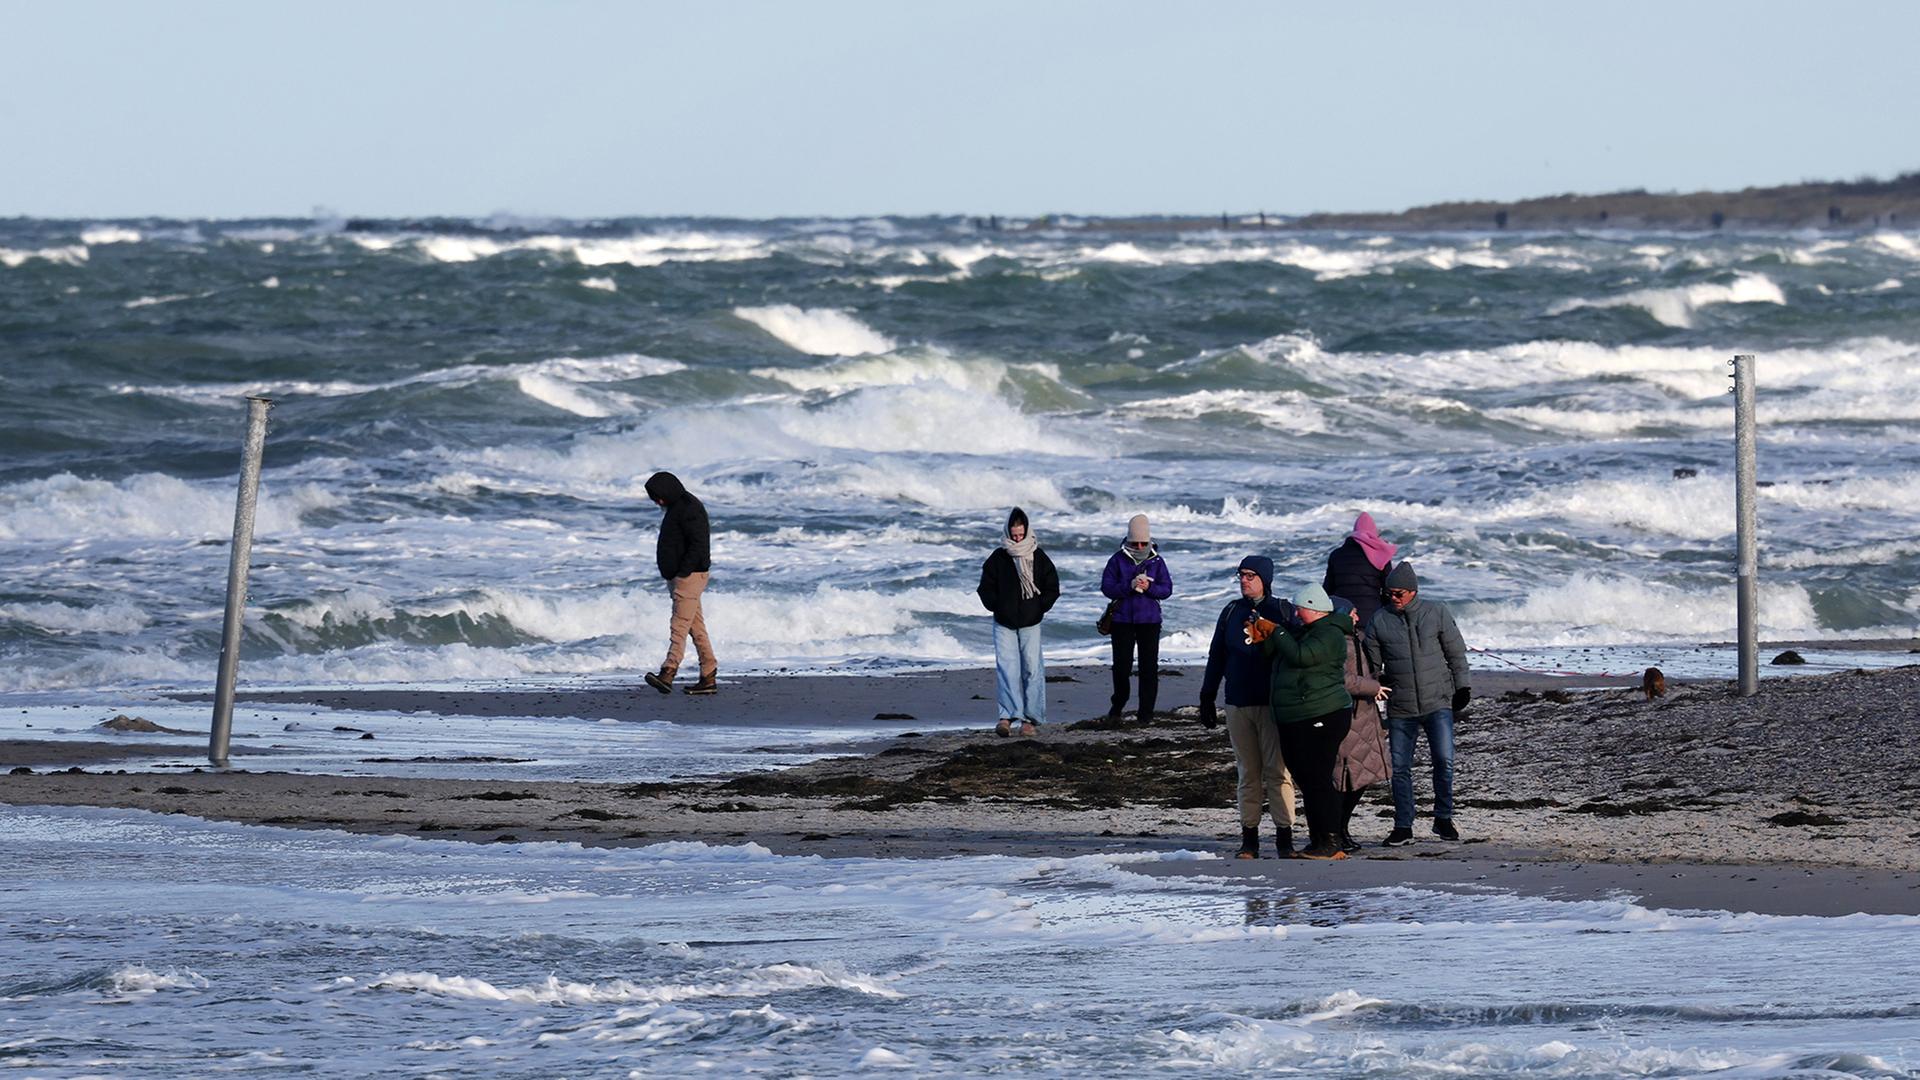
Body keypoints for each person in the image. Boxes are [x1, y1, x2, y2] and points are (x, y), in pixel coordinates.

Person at [1363, 561, 1471, 846]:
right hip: (1401, 706)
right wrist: (1373, 686)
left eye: (1399, 593)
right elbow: (1372, 666)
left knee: (1444, 761)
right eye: (1390, 593)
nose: (1393, 598)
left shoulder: (1436, 612)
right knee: (1399, 768)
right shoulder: (1379, 620)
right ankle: (1403, 826)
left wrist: (1463, 687)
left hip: (1438, 701)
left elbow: (1456, 653)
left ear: (1413, 592)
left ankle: (1443, 819)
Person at [1199, 556, 1297, 859]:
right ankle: (1249, 840)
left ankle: (1285, 839)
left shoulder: (1282, 611)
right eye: (1241, 575)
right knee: (1248, 773)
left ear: (1265, 579)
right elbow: (1217, 655)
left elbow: (1297, 654)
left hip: (1272, 704)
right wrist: (1207, 696)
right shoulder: (1230, 611)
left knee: (1278, 772)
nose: (1244, 580)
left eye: (1251, 575)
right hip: (1237, 702)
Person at [1251, 583, 1354, 860]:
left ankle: (1332, 840)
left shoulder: (1330, 633)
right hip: (1296, 716)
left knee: (1319, 778)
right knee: (1307, 779)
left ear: (1313, 608)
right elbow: (1279, 654)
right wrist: (1266, 636)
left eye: (1300, 608)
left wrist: (1277, 631)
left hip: (1323, 713)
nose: (1295, 613)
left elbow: (1302, 656)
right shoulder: (1306, 631)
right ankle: (1318, 839)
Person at [977, 507, 1060, 737]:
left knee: (1032, 669)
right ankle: (1006, 716)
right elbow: (984, 589)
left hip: (1031, 622)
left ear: (1026, 531)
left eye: (1020, 535)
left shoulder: (1039, 556)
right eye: (1013, 535)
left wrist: (1039, 607)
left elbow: (1052, 586)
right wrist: (997, 605)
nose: (1016, 538)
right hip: (1003, 623)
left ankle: (1030, 719)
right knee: (1007, 669)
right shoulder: (998, 558)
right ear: (1008, 531)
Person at [642, 471, 717, 696]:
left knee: (679, 626)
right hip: (682, 577)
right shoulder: (677, 507)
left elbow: (699, 544)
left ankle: (668, 671)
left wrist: (683, 573)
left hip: (690, 577)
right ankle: (709, 674)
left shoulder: (689, 509)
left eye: (658, 497)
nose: (658, 502)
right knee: (695, 628)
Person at [1100, 514, 1173, 725]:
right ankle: (1118, 705)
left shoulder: (1157, 561)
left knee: (1148, 668)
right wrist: (1129, 586)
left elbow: (1167, 589)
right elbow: (1107, 588)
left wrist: (1150, 588)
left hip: (1149, 621)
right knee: (1121, 667)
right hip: (1122, 620)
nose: (1139, 546)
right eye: (1135, 542)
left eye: (1143, 542)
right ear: (1128, 540)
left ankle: (1146, 714)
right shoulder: (1117, 560)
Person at [1333, 616, 1391, 853]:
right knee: (1343, 777)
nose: (1357, 617)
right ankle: (1335, 831)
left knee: (1363, 776)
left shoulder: (1360, 638)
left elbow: (1370, 669)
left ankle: (1341, 828)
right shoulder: (1336, 641)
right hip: (1347, 714)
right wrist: (1371, 687)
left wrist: (1379, 682)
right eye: (1352, 613)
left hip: (1366, 714)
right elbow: (1338, 677)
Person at [1324, 511, 1396, 630]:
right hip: (1372, 615)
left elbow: (1328, 590)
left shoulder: (1336, 555)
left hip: (1342, 615)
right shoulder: (1381, 555)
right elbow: (1388, 590)